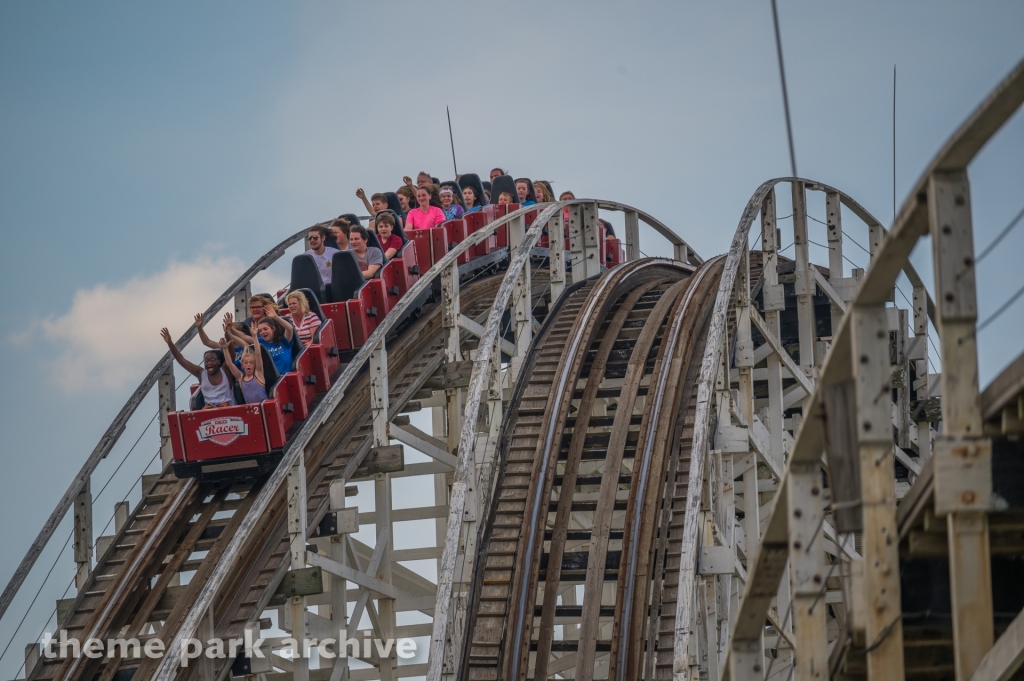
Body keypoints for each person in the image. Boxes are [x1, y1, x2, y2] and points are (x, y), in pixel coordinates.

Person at [160, 326, 235, 409]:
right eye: (206, 361)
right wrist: (170, 343)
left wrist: (227, 334)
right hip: (209, 412)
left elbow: (231, 354)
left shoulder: (225, 370)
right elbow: (182, 360)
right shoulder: (201, 373)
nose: (209, 363)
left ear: (219, 361)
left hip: (228, 409)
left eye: (212, 360)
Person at [220, 330, 267, 404]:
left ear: (254, 365)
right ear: (242, 365)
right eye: (246, 363)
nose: (248, 365)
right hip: (250, 409)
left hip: (263, 407)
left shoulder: (259, 374)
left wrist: (254, 337)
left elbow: (258, 354)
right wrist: (225, 349)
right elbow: (229, 363)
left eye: (251, 363)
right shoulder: (240, 378)